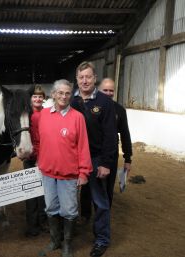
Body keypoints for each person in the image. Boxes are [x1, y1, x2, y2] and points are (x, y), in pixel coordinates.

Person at [37, 79, 93, 257]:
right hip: (47, 172)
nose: (63, 96)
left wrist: (84, 172)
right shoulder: (43, 115)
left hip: (68, 174)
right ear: (53, 94)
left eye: (67, 93)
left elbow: (83, 146)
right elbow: (40, 142)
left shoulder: (78, 118)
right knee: (51, 208)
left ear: (71, 95)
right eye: (60, 93)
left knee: (69, 211)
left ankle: (67, 244)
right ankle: (55, 241)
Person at [71, 62, 117, 257]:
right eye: (81, 77)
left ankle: (102, 239)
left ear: (95, 78)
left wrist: (106, 163)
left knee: (100, 201)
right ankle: (67, 234)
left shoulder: (105, 103)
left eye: (88, 77)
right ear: (77, 80)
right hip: (73, 159)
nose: (84, 81)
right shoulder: (70, 101)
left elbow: (110, 136)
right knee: (69, 197)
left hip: (96, 158)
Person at [99, 78, 132, 205]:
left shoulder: (120, 110)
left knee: (108, 186)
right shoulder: (91, 107)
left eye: (111, 90)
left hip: (111, 154)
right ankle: (86, 215)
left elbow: (125, 135)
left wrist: (128, 159)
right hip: (93, 152)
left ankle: (106, 212)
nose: (108, 93)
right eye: (105, 90)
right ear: (99, 91)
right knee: (88, 188)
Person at [23, 85, 47, 237]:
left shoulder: (47, 113)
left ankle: (43, 222)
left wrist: (40, 157)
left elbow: (45, 138)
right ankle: (32, 225)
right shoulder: (26, 113)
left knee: (44, 193)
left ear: (44, 98)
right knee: (30, 192)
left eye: (40, 96)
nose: (37, 99)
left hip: (43, 158)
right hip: (29, 158)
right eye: (34, 96)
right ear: (30, 98)